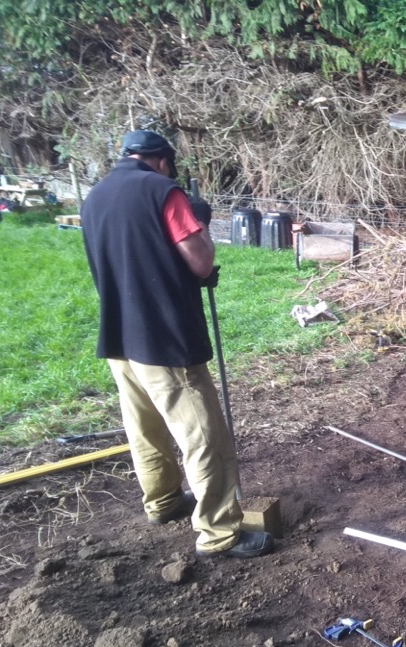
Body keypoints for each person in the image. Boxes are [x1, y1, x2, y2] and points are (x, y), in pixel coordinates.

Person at [80, 129, 273, 559]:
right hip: (163, 336)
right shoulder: (163, 192)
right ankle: (220, 532)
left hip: (119, 337)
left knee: (144, 426)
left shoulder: (95, 197)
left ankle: (164, 501)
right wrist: (198, 220)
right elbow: (200, 261)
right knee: (204, 433)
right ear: (163, 160)